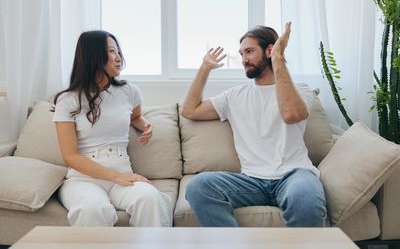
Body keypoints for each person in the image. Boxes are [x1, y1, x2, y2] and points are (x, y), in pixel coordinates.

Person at [181, 22, 327, 227]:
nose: (244, 60)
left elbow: (291, 114)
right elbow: (189, 110)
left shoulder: (300, 90)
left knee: (305, 198)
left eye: (249, 52)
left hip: (294, 175)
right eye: (241, 54)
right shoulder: (234, 96)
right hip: (251, 181)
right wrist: (204, 68)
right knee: (198, 186)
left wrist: (278, 58)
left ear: (269, 50)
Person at [53, 30, 172, 227]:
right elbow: (70, 156)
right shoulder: (68, 100)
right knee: (92, 209)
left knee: (151, 199)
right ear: (94, 56)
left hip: (122, 171)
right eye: (111, 52)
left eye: (118, 51)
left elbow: (135, 117)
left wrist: (146, 126)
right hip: (84, 179)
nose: (119, 58)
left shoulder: (129, 91)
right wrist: (117, 176)